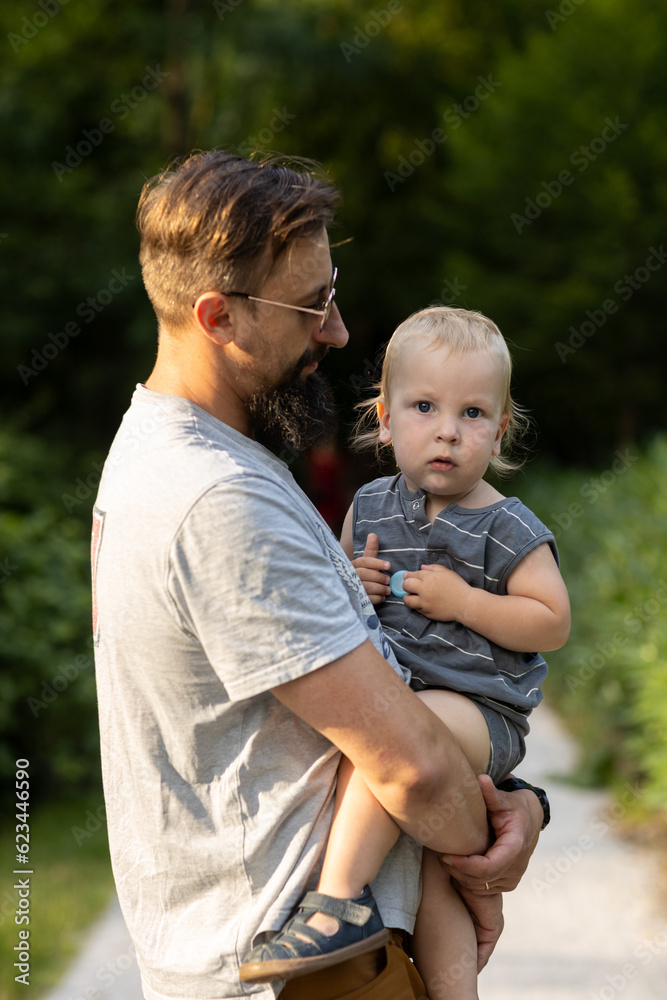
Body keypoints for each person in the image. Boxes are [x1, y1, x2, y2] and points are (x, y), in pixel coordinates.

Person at [91, 150, 549, 1000]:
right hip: (300, 977)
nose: (336, 331)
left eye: (331, 293)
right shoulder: (217, 499)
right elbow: (410, 766)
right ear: (218, 316)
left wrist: (516, 800)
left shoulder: (173, 455)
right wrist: (485, 854)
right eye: (311, 305)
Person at [241, 306, 570, 999]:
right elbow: (334, 598)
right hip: (404, 706)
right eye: (425, 407)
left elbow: (551, 621)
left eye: (472, 413)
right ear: (386, 420)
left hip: (477, 714)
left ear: (500, 432)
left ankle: (335, 904)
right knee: (436, 872)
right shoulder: (369, 505)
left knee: (388, 745)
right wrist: (355, 581)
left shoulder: (507, 526)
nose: (448, 430)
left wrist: (467, 604)